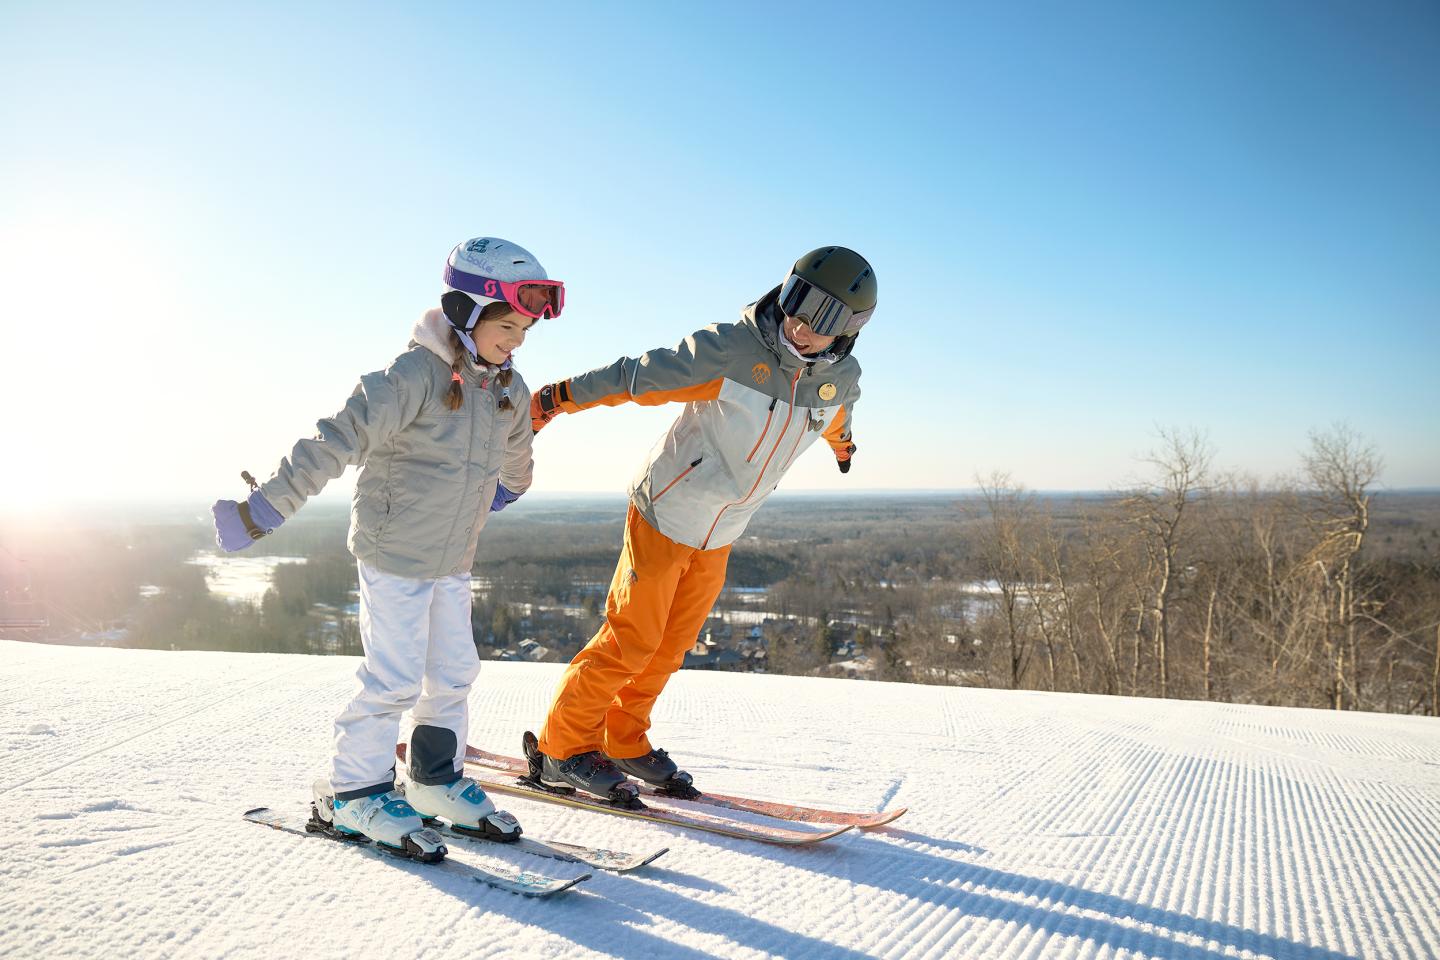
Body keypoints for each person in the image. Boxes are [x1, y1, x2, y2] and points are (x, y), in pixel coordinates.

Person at [210, 236, 563, 856]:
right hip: (396, 555)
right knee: (393, 679)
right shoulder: (412, 376)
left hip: (453, 560)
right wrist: (266, 506)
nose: (518, 339)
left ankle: (434, 781)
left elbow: (516, 448)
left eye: (527, 329)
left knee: (453, 674)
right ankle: (354, 792)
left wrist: (506, 489)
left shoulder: (506, 385)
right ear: (468, 311)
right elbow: (335, 439)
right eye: (509, 325)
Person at [527, 245, 876, 803]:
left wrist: (844, 448)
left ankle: (623, 739)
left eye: (822, 320)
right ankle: (561, 748)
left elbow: (838, 418)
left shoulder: (840, 379)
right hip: (666, 511)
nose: (801, 325)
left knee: (670, 646)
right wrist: (558, 397)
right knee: (631, 639)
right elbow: (636, 377)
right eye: (796, 303)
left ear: (850, 329)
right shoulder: (732, 350)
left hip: (723, 531)